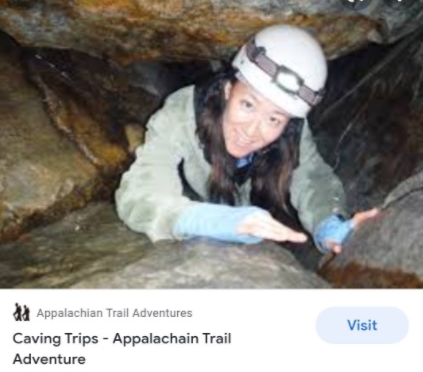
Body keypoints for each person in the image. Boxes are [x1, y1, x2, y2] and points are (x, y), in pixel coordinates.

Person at [116, 25, 378, 253]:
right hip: (191, 198)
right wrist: (205, 220)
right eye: (248, 105)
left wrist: (328, 224)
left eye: (274, 119)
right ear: (229, 90)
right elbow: (140, 192)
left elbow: (312, 176)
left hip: (252, 210)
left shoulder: (293, 129)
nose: (252, 131)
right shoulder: (181, 112)